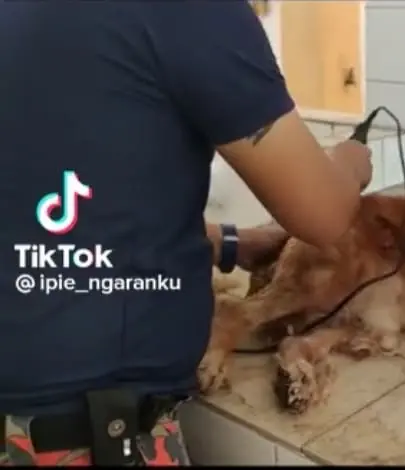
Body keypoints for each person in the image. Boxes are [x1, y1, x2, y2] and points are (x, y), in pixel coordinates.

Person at [0, 1, 372, 466]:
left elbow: (55, 200)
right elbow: (322, 213)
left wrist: (229, 243)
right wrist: (350, 163)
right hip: (77, 434)